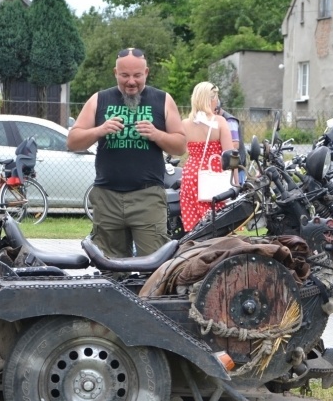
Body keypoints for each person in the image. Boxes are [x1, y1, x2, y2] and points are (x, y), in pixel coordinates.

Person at [67, 47, 186, 258]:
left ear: (146, 72)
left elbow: (180, 145)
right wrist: (100, 130)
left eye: (137, 76)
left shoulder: (163, 100)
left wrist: (156, 134)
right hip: (107, 198)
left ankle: (148, 293)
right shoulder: (99, 99)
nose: (131, 82)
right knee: (109, 267)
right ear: (115, 73)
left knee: (154, 266)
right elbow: (73, 141)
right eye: (125, 75)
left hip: (148, 198)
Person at [179, 82, 233, 232]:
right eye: (216, 98)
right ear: (211, 99)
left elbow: (182, 149)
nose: (217, 101)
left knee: (195, 226)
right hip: (213, 173)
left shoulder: (185, 123)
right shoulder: (220, 121)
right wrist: (235, 183)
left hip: (191, 175)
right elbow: (230, 155)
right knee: (219, 222)